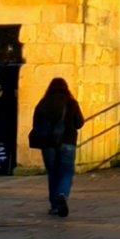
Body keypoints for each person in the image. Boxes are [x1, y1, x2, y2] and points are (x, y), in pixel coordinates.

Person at [30, 78, 84, 218]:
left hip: (48, 144)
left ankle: (55, 206)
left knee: (53, 173)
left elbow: (36, 124)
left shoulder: (43, 103)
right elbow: (79, 123)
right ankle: (62, 194)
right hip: (67, 142)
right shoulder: (71, 103)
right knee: (66, 172)